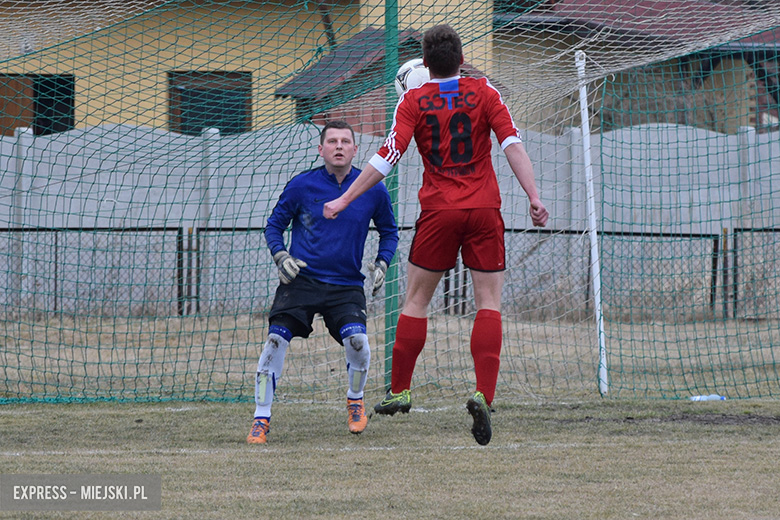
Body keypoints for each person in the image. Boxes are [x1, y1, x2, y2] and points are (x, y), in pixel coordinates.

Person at [323, 25, 548, 446]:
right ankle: (484, 393)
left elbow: (387, 156)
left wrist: (346, 198)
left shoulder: (413, 99)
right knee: (488, 302)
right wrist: (534, 196)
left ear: (424, 64)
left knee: (416, 300)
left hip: (439, 211)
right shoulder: (485, 93)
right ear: (462, 60)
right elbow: (512, 145)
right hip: (483, 209)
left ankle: (401, 390)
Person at [247, 120, 398, 444]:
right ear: (321, 149)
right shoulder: (302, 185)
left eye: (346, 141)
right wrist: (281, 256)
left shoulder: (373, 187)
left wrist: (383, 261)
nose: (339, 146)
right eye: (332, 141)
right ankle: (261, 417)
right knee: (274, 343)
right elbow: (274, 227)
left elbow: (390, 231)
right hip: (302, 280)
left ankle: (354, 399)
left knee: (359, 343)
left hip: (346, 285)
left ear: (356, 149)